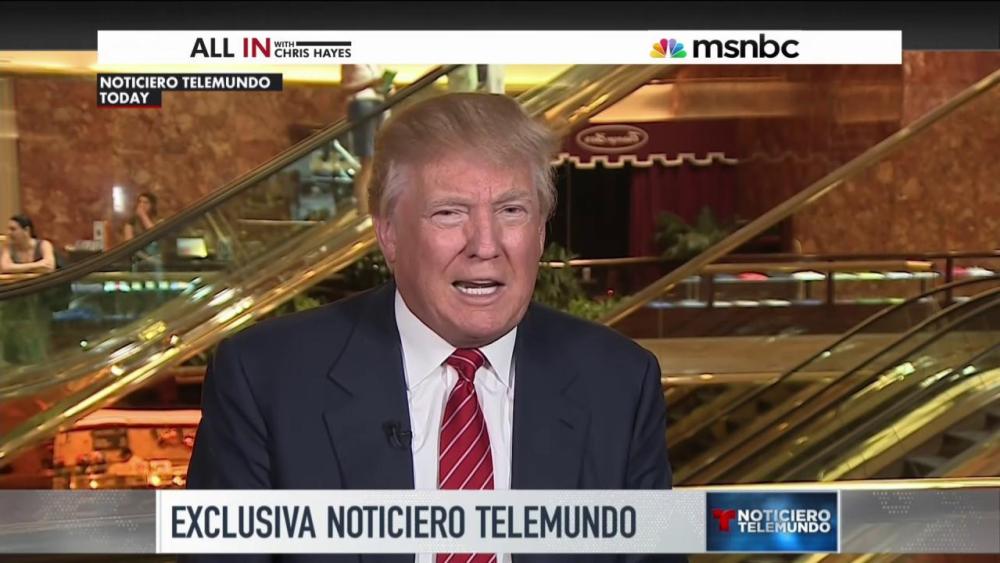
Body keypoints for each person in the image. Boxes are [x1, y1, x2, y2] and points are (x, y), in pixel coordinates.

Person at [186, 94, 678, 563]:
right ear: (389, 234)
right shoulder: (265, 380)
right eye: (449, 213)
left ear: (541, 230)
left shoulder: (619, 382)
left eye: (511, 211)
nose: (485, 245)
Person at [339, 64, 393, 215]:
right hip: (362, 103)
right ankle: (364, 210)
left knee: (381, 159)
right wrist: (369, 84)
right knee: (368, 160)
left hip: (381, 103)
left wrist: (387, 88)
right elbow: (344, 89)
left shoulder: (377, 62)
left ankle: (379, 206)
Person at [122, 192, 162, 271]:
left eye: (146, 202)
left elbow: (155, 235)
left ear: (152, 205)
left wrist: (143, 216)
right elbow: (129, 244)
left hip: (156, 258)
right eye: (140, 202)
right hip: (138, 259)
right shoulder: (131, 222)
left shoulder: (158, 220)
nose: (142, 205)